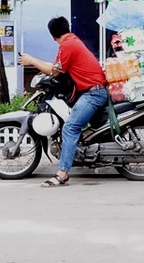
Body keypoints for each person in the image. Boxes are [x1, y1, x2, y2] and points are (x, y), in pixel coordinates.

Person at [19, 16, 108, 188]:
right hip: (94, 91)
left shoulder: (67, 45)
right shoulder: (73, 41)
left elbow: (55, 72)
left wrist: (31, 61)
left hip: (93, 94)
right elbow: (57, 66)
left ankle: (62, 174)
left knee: (70, 127)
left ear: (52, 36)